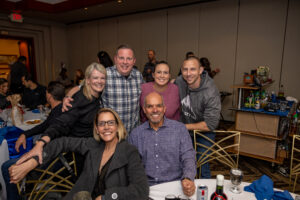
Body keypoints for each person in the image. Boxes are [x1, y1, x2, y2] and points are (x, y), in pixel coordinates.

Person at [9, 108, 149, 200]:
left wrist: (107, 197)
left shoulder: (129, 151)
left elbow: (141, 190)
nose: (106, 127)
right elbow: (61, 142)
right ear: (96, 128)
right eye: (101, 124)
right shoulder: (92, 145)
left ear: (117, 126)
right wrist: (32, 162)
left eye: (110, 123)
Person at [16, 63, 106, 174]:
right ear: (88, 80)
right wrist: (41, 143)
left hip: (91, 148)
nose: (99, 81)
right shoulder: (79, 100)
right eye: (95, 78)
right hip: (78, 151)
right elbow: (61, 123)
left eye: (102, 78)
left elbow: (79, 86)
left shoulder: (98, 95)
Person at [1, 81, 65, 200]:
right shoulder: (59, 109)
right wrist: (25, 134)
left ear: (49, 96)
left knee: (6, 166)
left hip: (54, 160)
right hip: (55, 156)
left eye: (46, 93)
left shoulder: (59, 114)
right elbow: (44, 125)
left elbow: (51, 139)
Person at [63, 45, 143, 134]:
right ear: (115, 59)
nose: (125, 62)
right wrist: (67, 97)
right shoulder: (105, 74)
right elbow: (80, 86)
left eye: (129, 59)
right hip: (111, 134)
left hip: (133, 133)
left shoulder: (138, 76)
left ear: (134, 61)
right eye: (121, 58)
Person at [129, 92, 196, 197]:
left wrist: (187, 178)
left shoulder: (179, 129)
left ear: (164, 108)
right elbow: (132, 167)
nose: (155, 110)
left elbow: (188, 156)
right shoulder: (135, 134)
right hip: (147, 189)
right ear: (144, 110)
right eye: (150, 106)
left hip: (176, 186)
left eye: (158, 106)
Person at [175, 56, 221, 178]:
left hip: (204, 131)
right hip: (185, 129)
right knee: (180, 161)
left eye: (193, 69)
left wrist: (183, 126)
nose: (188, 74)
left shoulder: (210, 91)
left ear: (200, 70)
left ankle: (204, 192)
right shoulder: (180, 81)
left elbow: (210, 124)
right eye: (185, 69)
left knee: (201, 164)